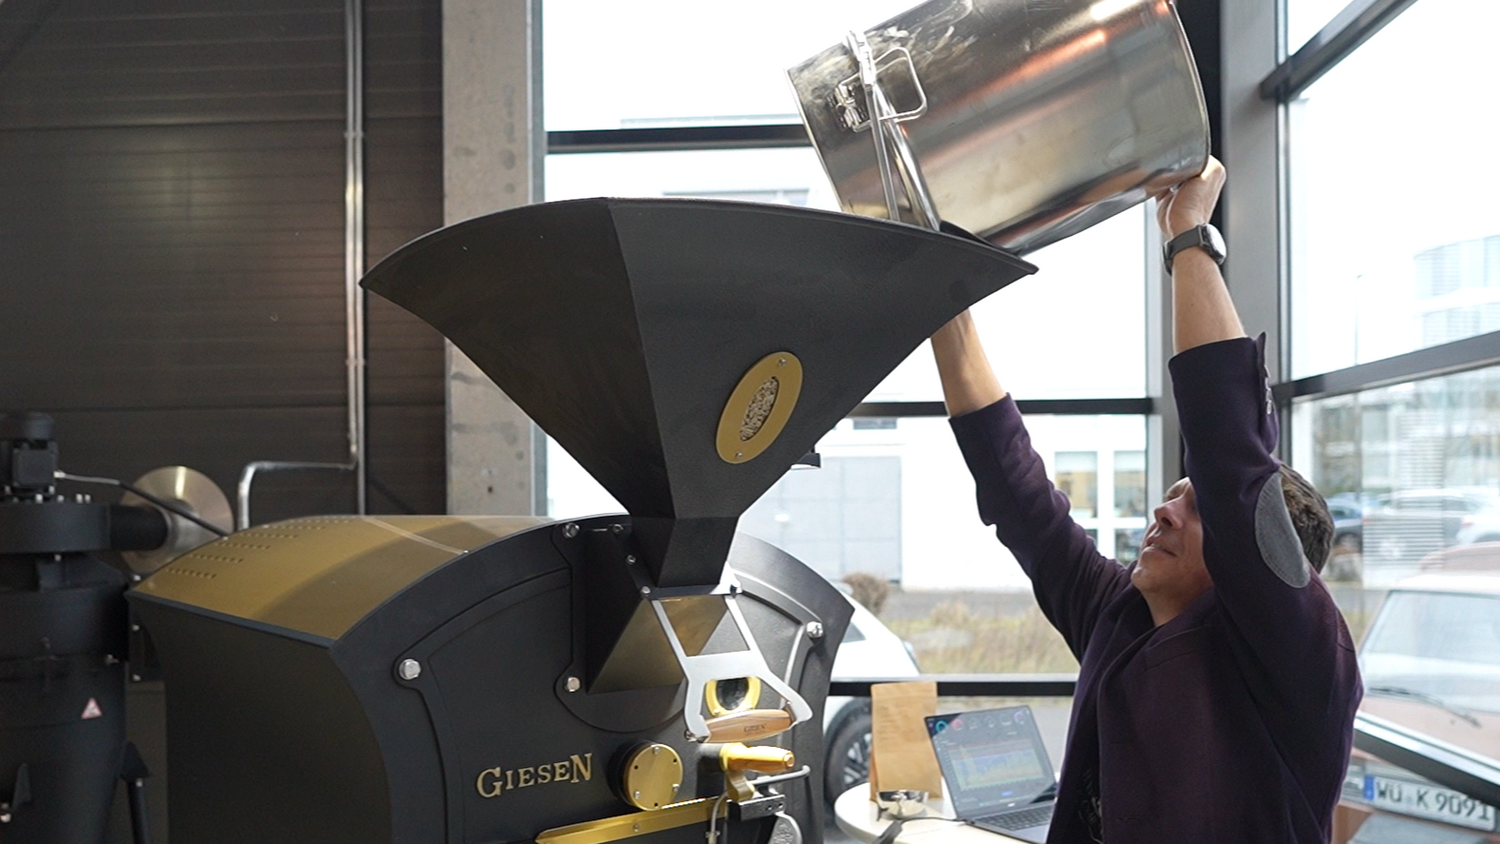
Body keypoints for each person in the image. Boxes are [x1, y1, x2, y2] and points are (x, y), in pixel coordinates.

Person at [930, 157, 1362, 843]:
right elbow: (1017, 494)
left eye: (1197, 509)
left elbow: (1232, 462)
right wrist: (939, 293)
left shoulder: (1297, 654)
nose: (1164, 512)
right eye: (1171, 496)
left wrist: (1187, 232)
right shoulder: (1122, 614)